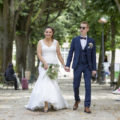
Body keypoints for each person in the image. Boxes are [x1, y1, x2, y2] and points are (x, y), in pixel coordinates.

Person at [25, 26, 68, 112]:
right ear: (44, 33)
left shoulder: (56, 42)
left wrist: (64, 65)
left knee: (53, 84)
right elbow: (39, 54)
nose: (48, 33)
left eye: (50, 32)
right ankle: (45, 105)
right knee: (45, 84)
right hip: (44, 66)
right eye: (46, 32)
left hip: (54, 65)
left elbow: (59, 54)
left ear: (52, 33)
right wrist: (44, 63)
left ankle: (53, 102)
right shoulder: (40, 42)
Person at [65, 21, 96, 113]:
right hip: (78, 65)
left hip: (88, 66)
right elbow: (70, 53)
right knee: (75, 85)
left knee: (88, 86)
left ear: (87, 29)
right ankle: (77, 100)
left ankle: (87, 106)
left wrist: (94, 68)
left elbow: (93, 56)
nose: (81, 29)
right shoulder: (74, 40)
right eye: (80, 27)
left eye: (83, 28)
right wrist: (67, 65)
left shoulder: (91, 41)